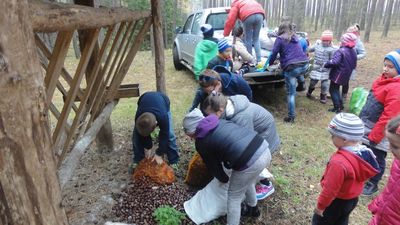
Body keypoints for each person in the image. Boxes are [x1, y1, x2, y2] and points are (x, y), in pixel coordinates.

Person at [183, 110, 271, 225]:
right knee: (246, 180)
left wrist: (223, 179)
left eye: (188, 133)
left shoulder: (201, 142)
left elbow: (214, 167)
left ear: (192, 130)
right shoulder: (220, 122)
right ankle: (253, 210)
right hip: (263, 148)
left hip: (250, 160)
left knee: (233, 197)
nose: (189, 137)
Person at [202, 93, 280, 200]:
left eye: (211, 115)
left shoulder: (241, 118)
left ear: (220, 110)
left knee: (254, 160)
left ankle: (265, 184)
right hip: (257, 132)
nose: (209, 118)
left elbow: (248, 145)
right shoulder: (228, 108)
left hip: (264, 135)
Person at [312, 113, 378, 225]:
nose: (331, 138)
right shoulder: (364, 153)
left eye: (333, 135)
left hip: (335, 202)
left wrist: (320, 207)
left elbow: (330, 190)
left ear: (344, 139)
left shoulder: (338, 163)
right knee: (341, 221)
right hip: (351, 200)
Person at [359, 49, 400, 196]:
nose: (385, 69)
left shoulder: (397, 88)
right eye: (385, 65)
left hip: (379, 131)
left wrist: (376, 136)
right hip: (368, 125)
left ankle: (373, 182)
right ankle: (364, 174)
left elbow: (389, 116)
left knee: (377, 156)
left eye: (390, 67)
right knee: (365, 151)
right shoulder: (382, 80)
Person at [268, 22, 309, 123]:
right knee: (297, 72)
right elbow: (293, 51)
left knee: (290, 94)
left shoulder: (280, 39)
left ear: (280, 29)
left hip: (292, 67)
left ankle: (291, 117)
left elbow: (274, 53)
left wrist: (270, 63)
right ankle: (302, 83)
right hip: (304, 64)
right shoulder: (295, 37)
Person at [132, 92, 179, 170]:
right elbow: (143, 133)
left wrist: (159, 153)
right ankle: (138, 159)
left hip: (164, 101)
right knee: (136, 137)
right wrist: (148, 147)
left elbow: (165, 135)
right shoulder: (139, 117)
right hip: (144, 98)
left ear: (156, 123)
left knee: (170, 135)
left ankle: (174, 160)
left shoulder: (163, 116)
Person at [368, 115, 400, 225]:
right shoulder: (398, 162)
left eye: (395, 146)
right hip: (384, 215)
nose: (391, 149)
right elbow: (392, 186)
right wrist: (381, 203)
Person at [324, 32, 357, 113]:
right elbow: (354, 64)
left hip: (338, 74)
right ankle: (340, 105)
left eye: (342, 40)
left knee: (333, 89)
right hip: (346, 73)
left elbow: (334, 62)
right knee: (336, 89)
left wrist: (326, 64)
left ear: (344, 41)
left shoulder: (341, 51)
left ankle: (337, 107)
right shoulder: (353, 51)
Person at [306, 30, 337, 104]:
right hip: (316, 67)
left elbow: (332, 59)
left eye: (327, 41)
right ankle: (309, 91)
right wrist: (307, 44)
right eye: (323, 40)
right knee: (313, 82)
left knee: (324, 84)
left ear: (330, 41)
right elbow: (309, 50)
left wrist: (328, 64)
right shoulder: (317, 45)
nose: (324, 42)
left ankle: (323, 96)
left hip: (326, 68)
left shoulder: (332, 49)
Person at [341, 24, 367, 100]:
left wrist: (354, 57)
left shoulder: (358, 42)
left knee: (346, 81)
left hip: (350, 65)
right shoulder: (345, 39)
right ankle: (335, 92)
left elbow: (363, 53)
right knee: (337, 77)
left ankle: (343, 95)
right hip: (341, 63)